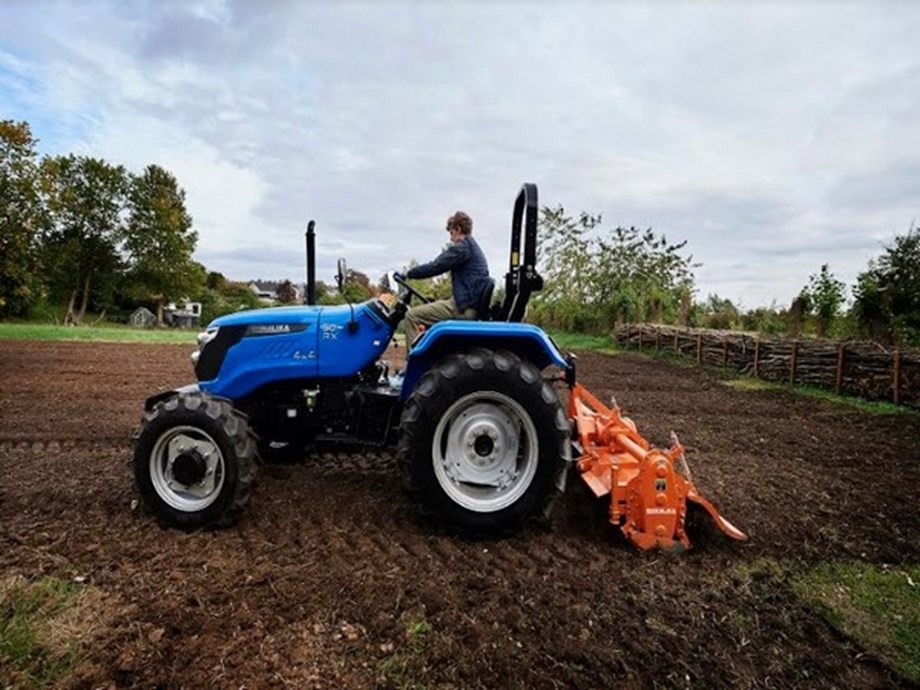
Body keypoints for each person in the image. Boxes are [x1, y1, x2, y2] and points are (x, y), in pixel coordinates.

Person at [402, 211, 491, 348]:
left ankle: (414, 364)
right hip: (467, 303)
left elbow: (436, 266)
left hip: (463, 307)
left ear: (458, 230)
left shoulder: (463, 248)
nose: (451, 238)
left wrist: (409, 274)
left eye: (451, 233)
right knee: (428, 310)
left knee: (412, 316)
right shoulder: (472, 247)